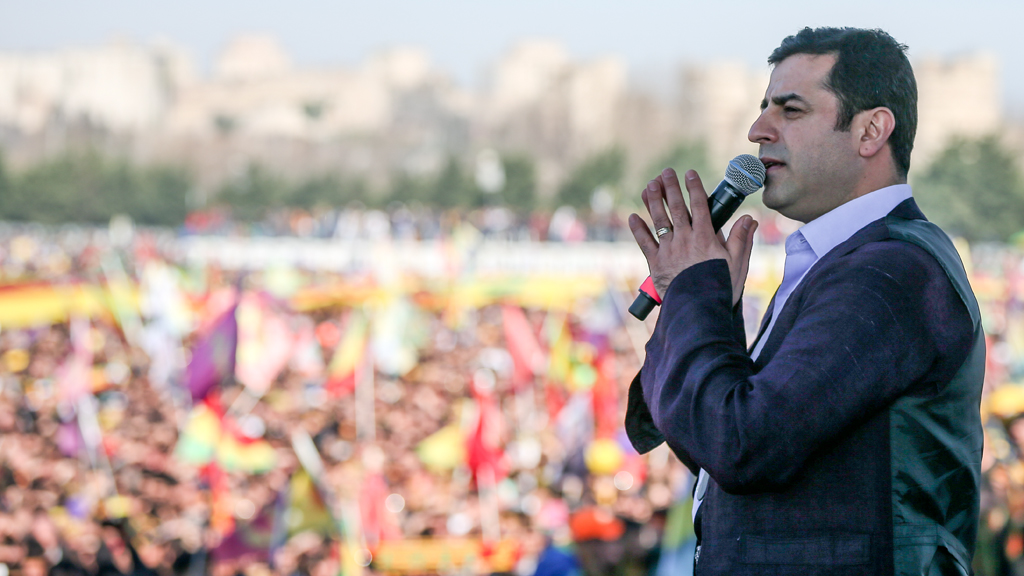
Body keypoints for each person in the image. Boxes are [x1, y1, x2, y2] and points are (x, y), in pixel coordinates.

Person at [624, 27, 985, 575]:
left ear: (870, 130)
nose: (757, 130)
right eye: (763, 107)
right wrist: (690, 299)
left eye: (790, 110)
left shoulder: (891, 271)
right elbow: (703, 439)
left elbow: (741, 444)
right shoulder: (838, 261)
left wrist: (697, 292)